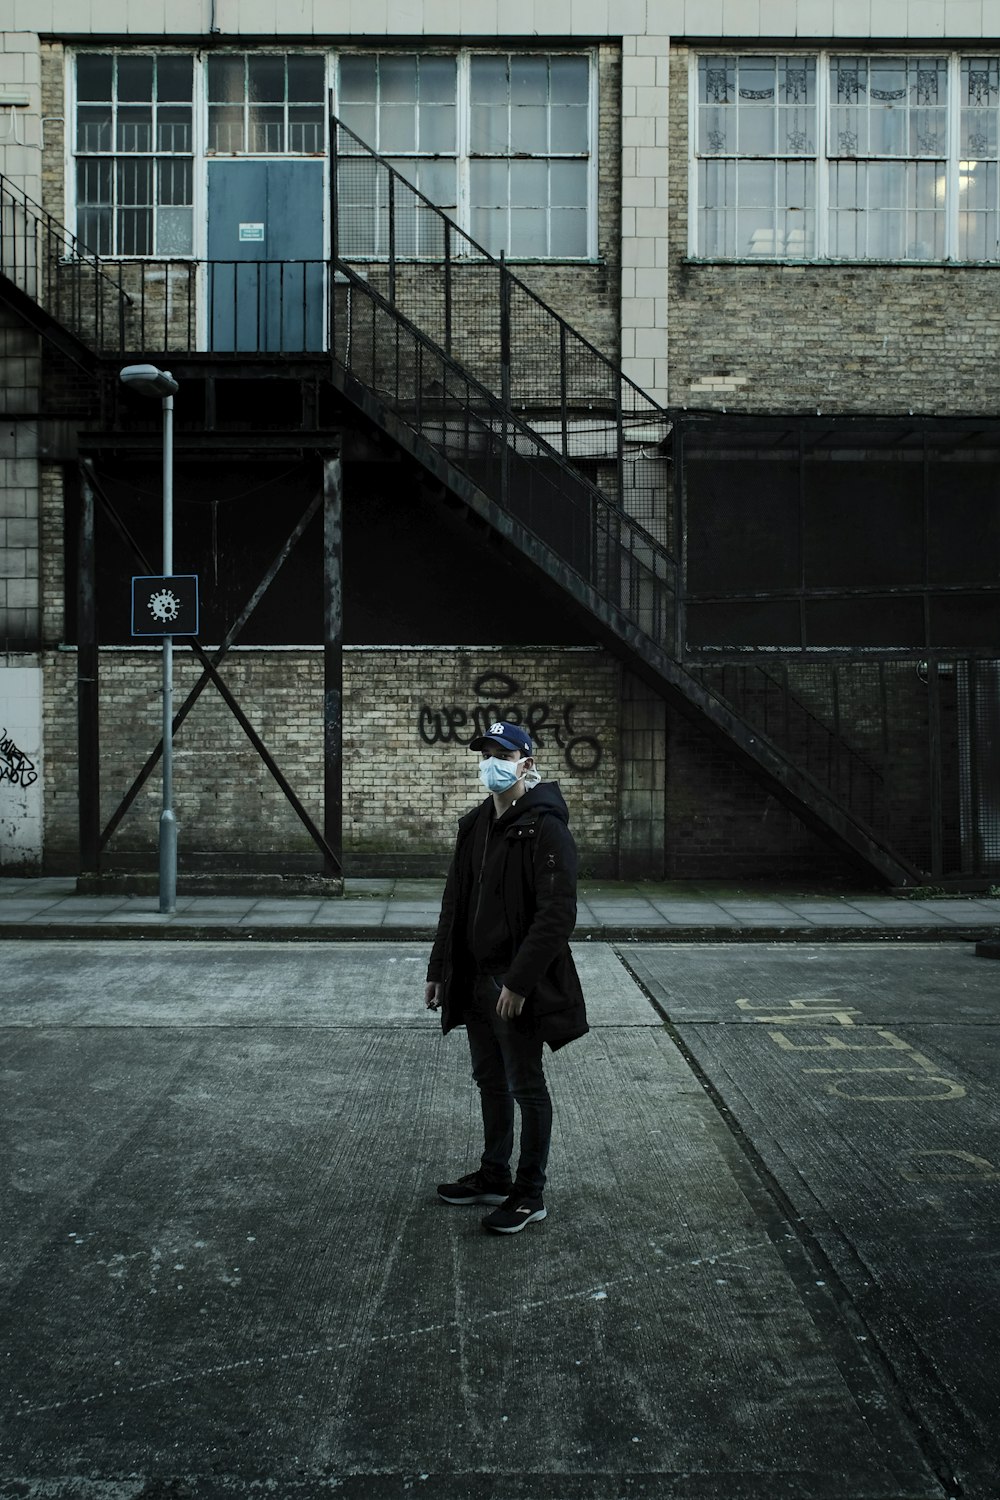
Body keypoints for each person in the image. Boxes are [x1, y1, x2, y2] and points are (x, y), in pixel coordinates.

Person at [424, 719, 588, 1235]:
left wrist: (518, 983)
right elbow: (455, 902)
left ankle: (528, 1192)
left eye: (503, 753)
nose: (492, 761)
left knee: (526, 1086)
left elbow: (557, 915)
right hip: (472, 979)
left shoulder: (545, 826)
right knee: (489, 1080)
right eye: (486, 751)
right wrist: (438, 969)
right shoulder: (475, 825)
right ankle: (493, 1175)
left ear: (526, 763)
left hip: (513, 985)